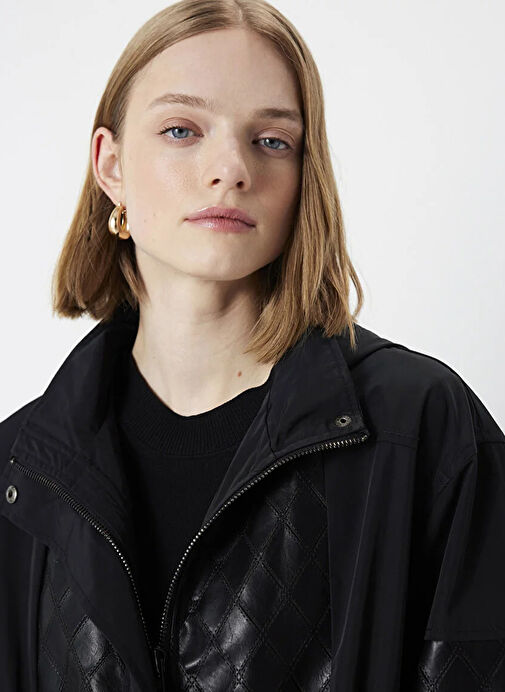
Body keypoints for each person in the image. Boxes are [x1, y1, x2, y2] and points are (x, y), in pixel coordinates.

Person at [1, 1, 504, 690]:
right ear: (110, 165)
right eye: (181, 130)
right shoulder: (21, 470)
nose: (231, 168)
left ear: (303, 176)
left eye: (271, 140)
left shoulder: (420, 428)